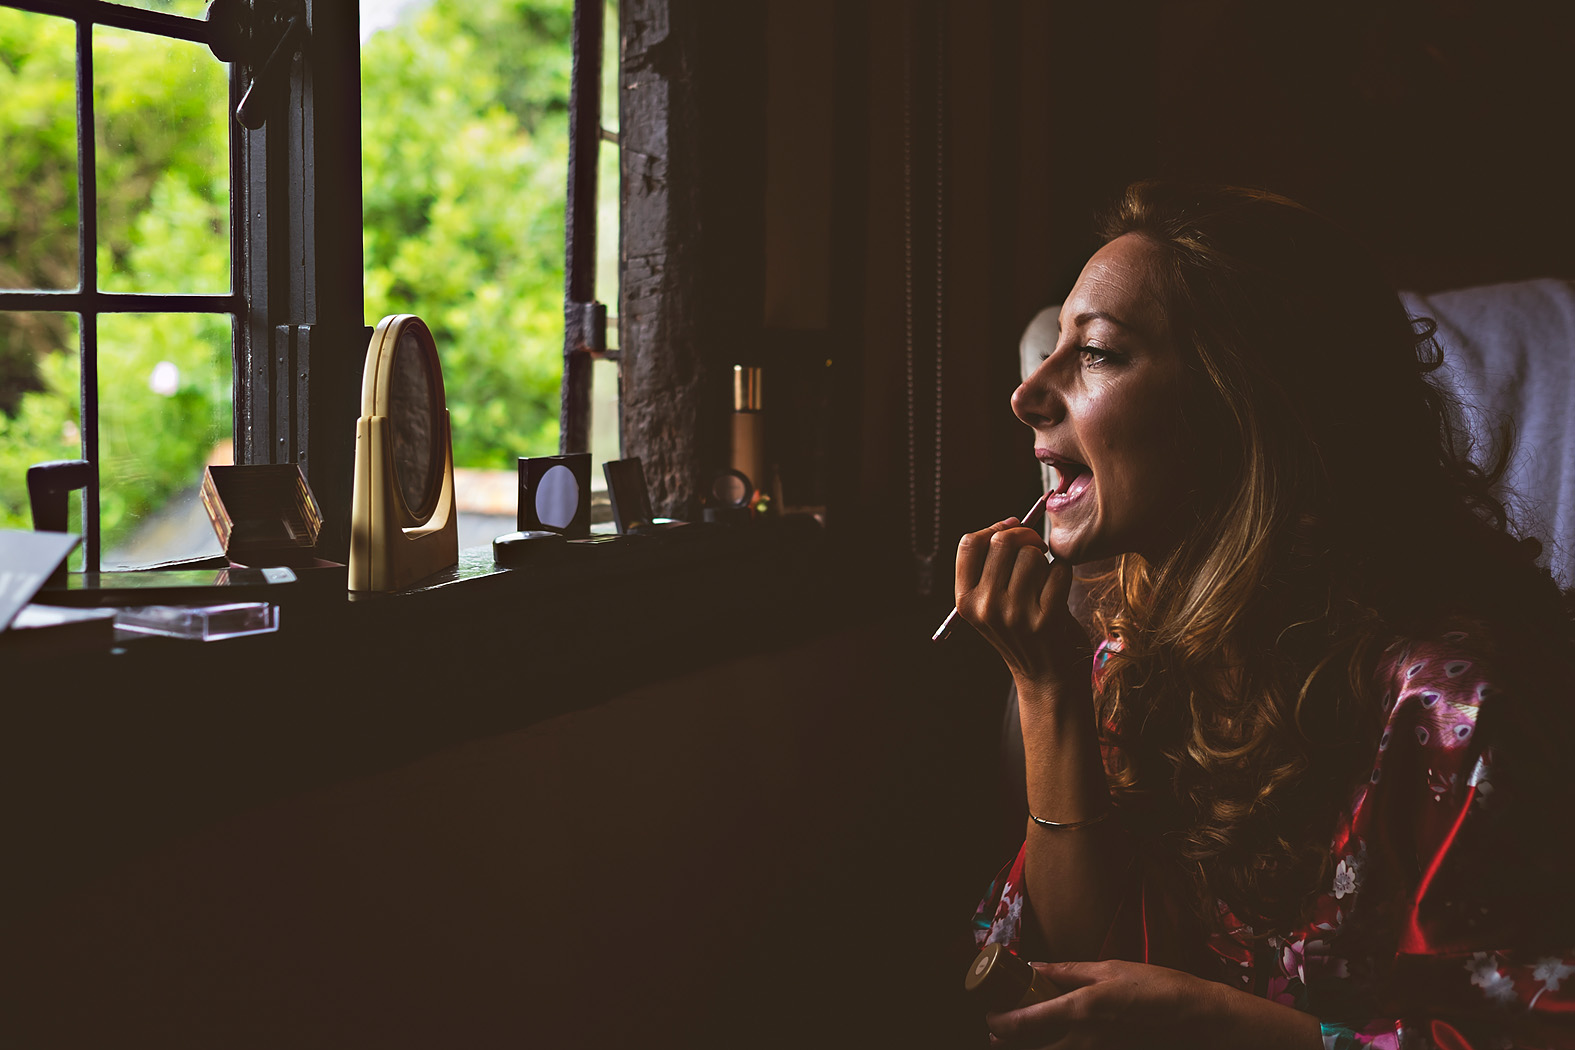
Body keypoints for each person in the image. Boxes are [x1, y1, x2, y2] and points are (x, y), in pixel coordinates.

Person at [956, 181, 1575, 1049]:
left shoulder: (1453, 713)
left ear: (1240, 406)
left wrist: (1225, 1025)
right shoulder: (1127, 655)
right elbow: (1063, 981)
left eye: (1095, 353)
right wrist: (1046, 687)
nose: (1029, 394)